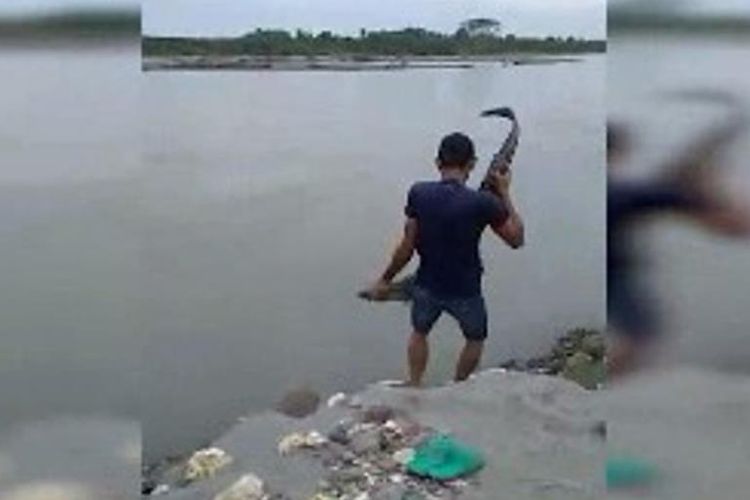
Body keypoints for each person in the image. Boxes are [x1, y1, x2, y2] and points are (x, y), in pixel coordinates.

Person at [363, 132, 525, 386]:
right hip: (466, 289)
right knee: (475, 338)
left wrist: (385, 279)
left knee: (419, 332)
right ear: (472, 164)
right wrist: (504, 192)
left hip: (427, 284)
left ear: (438, 163)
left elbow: (407, 247)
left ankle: (415, 384)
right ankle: (458, 385)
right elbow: (516, 240)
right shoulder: (482, 203)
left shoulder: (419, 193)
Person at [607, 122, 750, 376]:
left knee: (641, 337)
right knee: (639, 338)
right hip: (613, 277)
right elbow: (734, 226)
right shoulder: (624, 194)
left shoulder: (626, 192)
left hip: (615, 275)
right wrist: (708, 181)